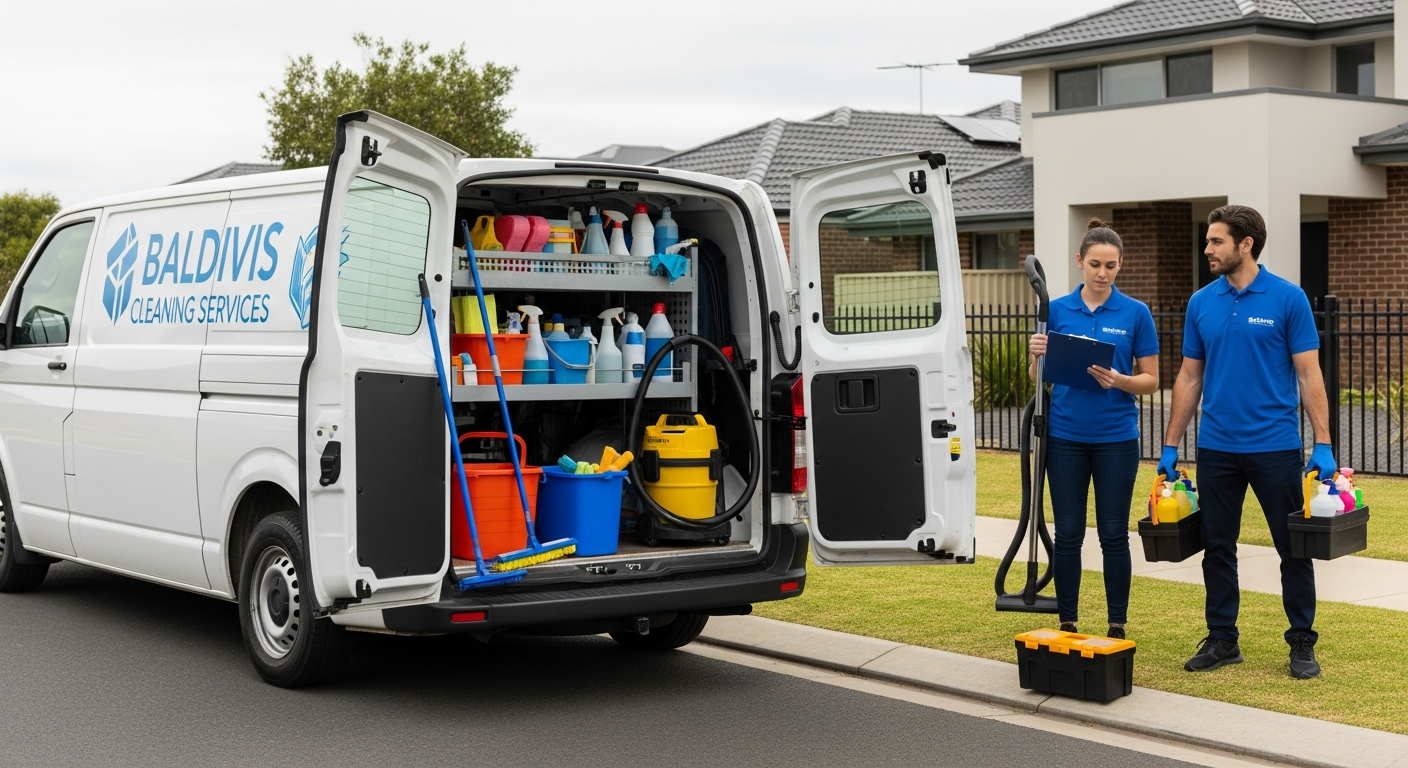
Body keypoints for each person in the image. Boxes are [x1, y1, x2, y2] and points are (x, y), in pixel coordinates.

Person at [1158, 205, 1333, 680]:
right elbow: (1190, 377)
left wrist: (1323, 443)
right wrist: (1171, 446)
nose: (1207, 249)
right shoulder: (1202, 302)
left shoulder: (1287, 299)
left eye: (1216, 241)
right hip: (1216, 448)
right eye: (1209, 240)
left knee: (1292, 547)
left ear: (1245, 244)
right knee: (1218, 547)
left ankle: (1301, 641)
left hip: (1274, 447)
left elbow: (1308, 371)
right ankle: (1222, 639)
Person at [1028, 218, 1159, 640]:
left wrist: (1119, 380)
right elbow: (1038, 377)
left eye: (1112, 266)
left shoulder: (1136, 313)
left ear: (1120, 266)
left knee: (1112, 535)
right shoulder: (1058, 310)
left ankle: (1116, 624)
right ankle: (1068, 621)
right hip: (1065, 438)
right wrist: (1034, 355)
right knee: (1067, 534)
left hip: (1117, 440)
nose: (1103, 273)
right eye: (1096, 264)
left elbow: (1152, 380)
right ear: (1080, 261)